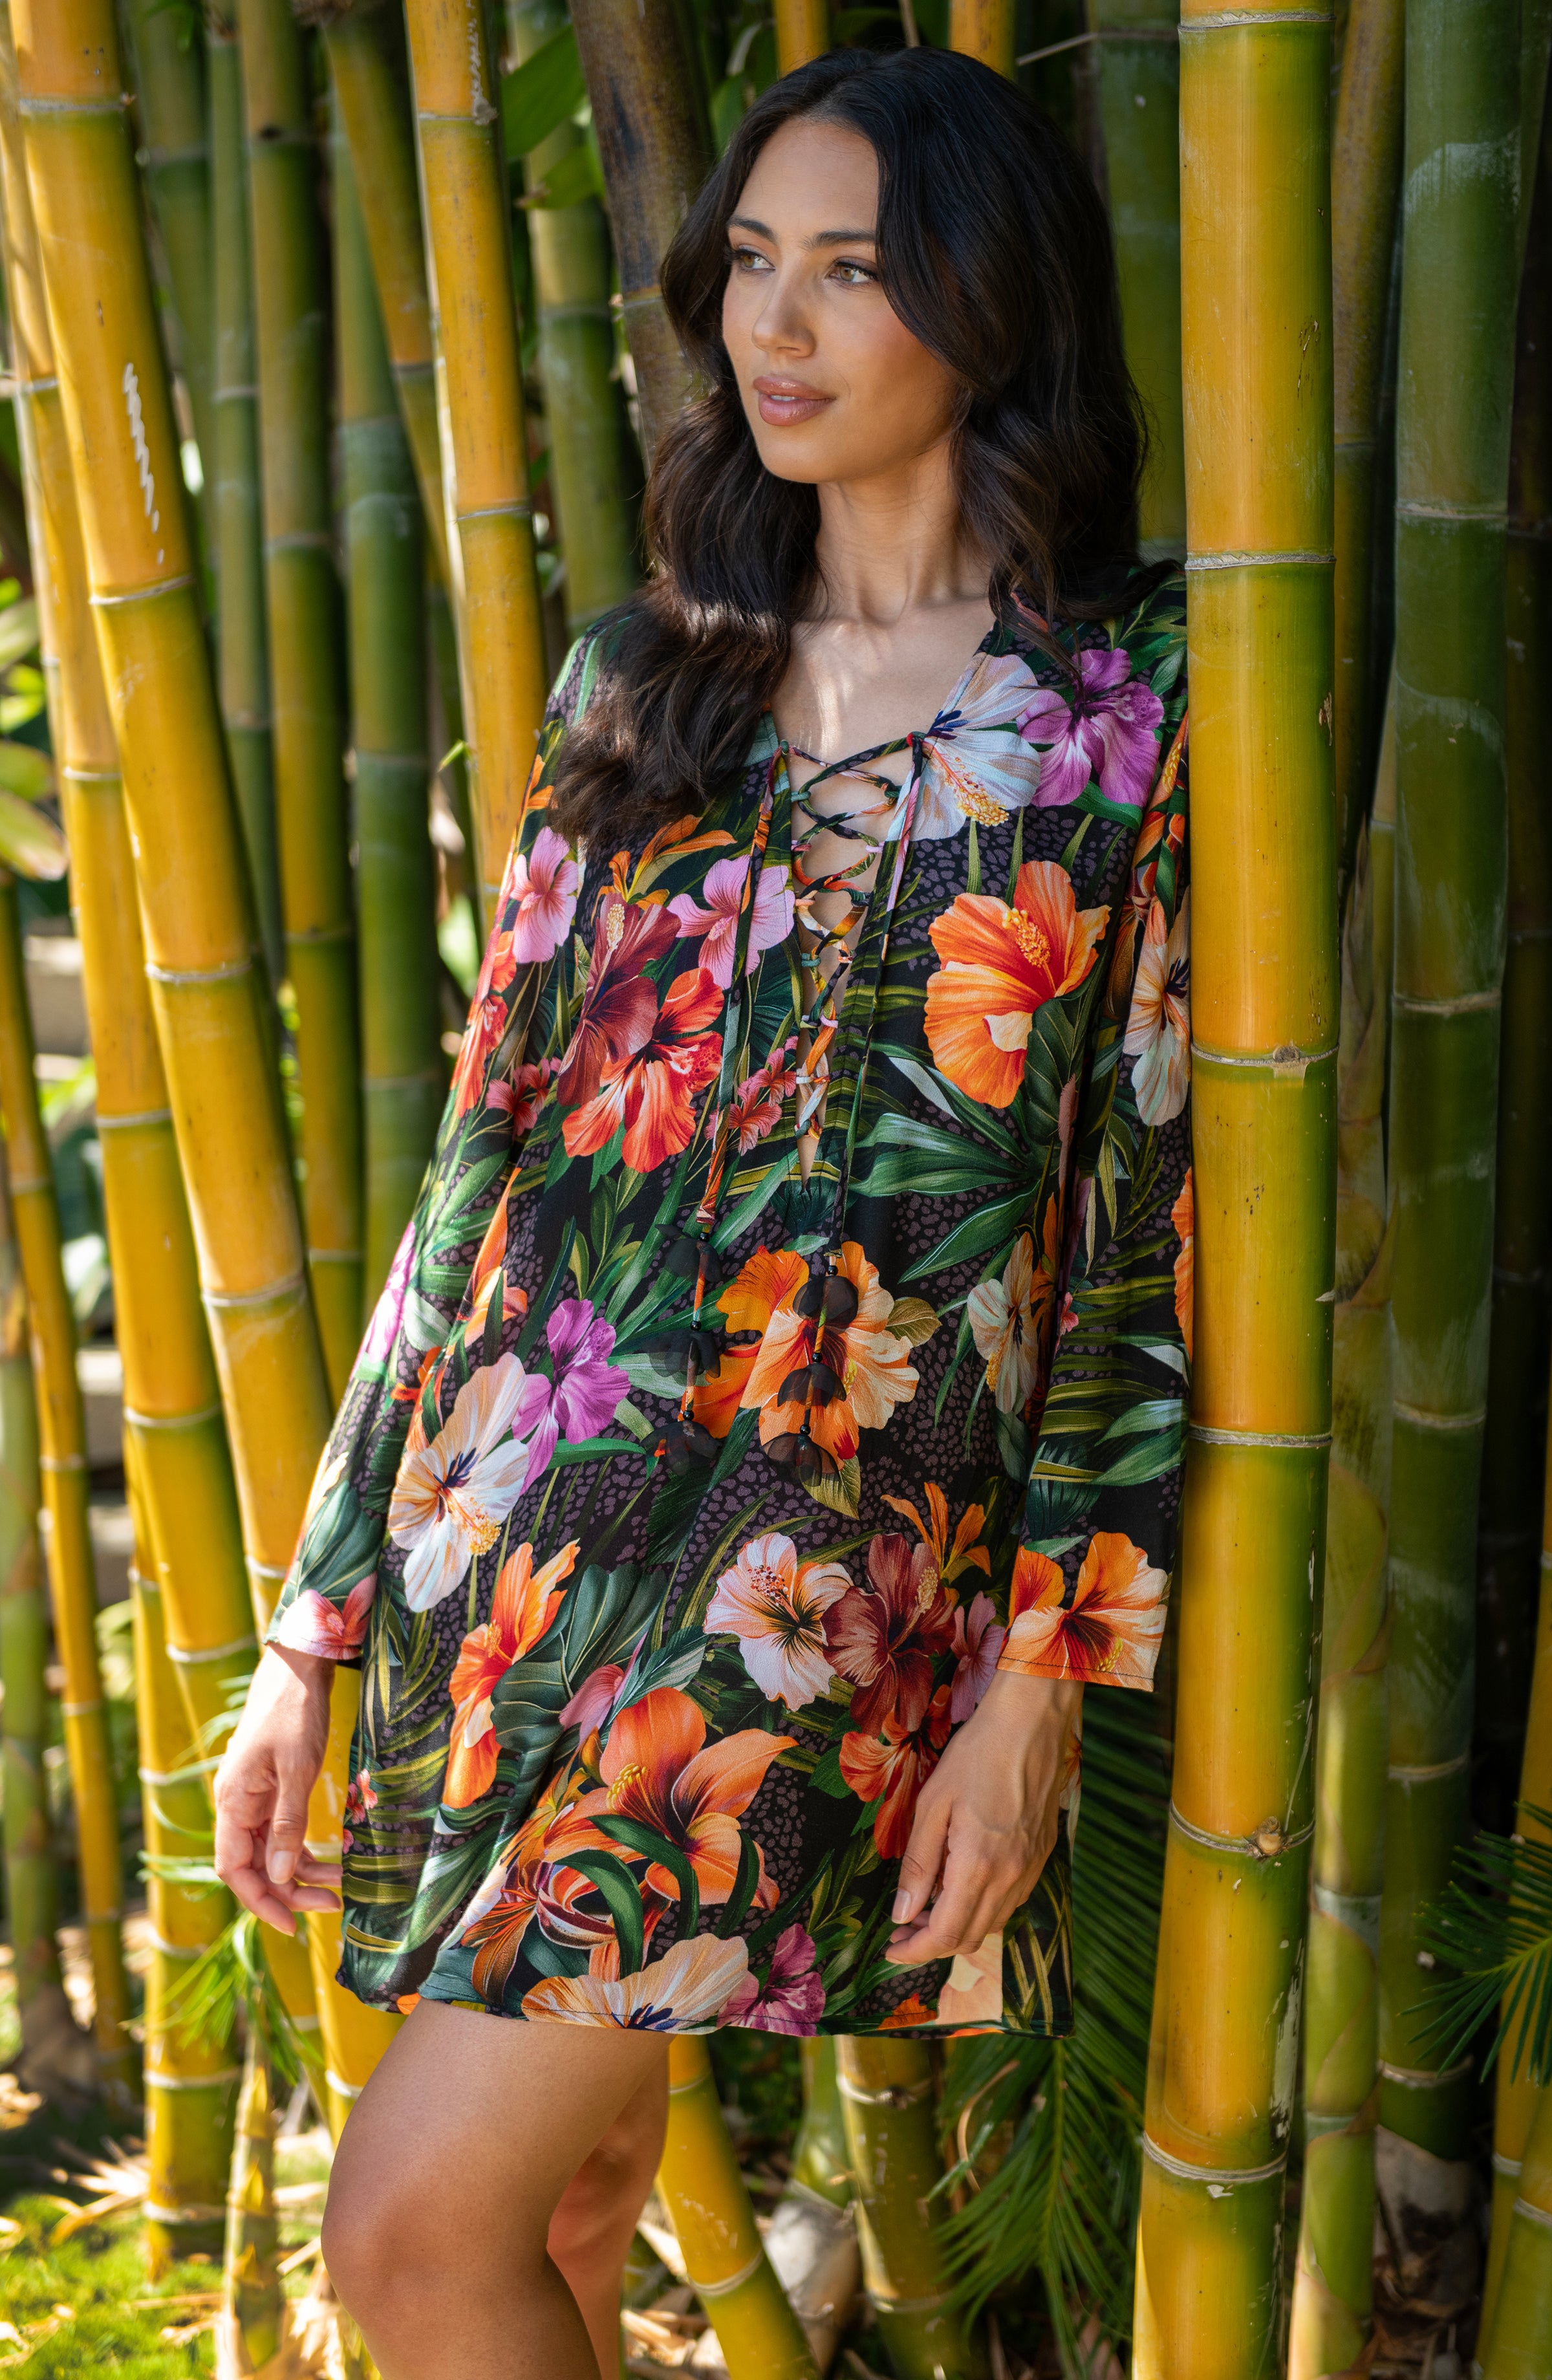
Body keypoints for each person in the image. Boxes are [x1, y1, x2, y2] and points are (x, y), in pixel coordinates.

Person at [213, 43, 1191, 2380]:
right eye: (752, 261)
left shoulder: (1129, 708)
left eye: (852, 269)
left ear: (990, 294)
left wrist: (1047, 1675)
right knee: (548, 2235)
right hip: (523, 1530)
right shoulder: (652, 681)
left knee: (404, 2239)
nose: (778, 324)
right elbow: (488, 1176)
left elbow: (1147, 1230)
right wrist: (310, 1628)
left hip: (806, 1583)